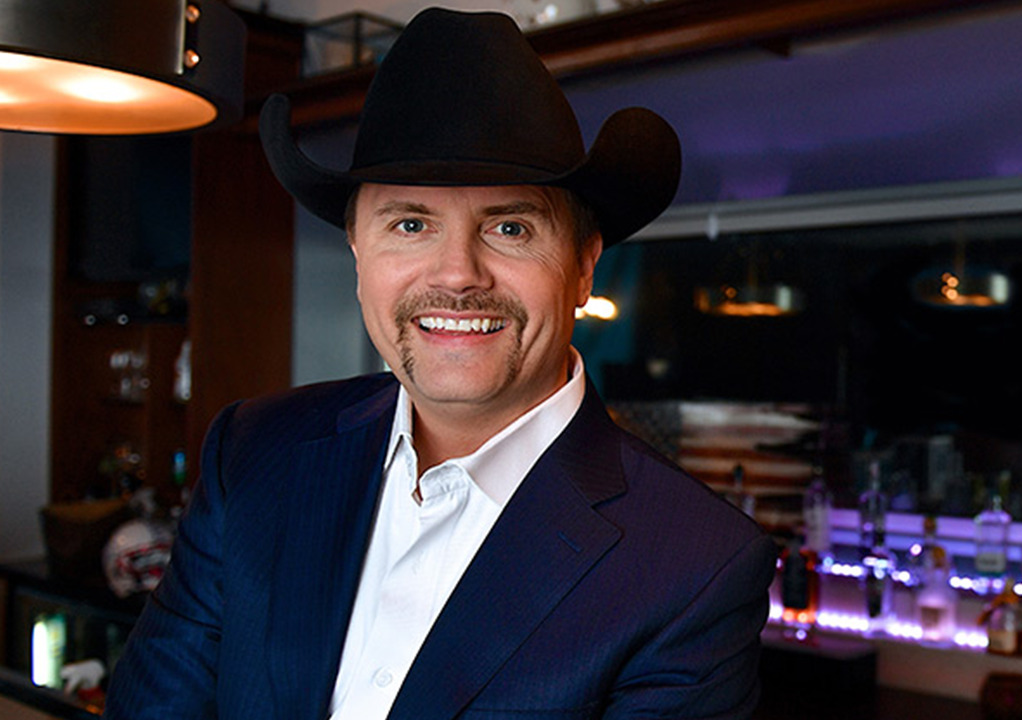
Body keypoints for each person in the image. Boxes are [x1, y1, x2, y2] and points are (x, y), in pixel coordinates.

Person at [103, 7, 776, 720]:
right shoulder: (253, 451)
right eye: (410, 223)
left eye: (510, 227)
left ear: (583, 267)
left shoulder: (695, 565)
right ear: (358, 253)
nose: (457, 274)